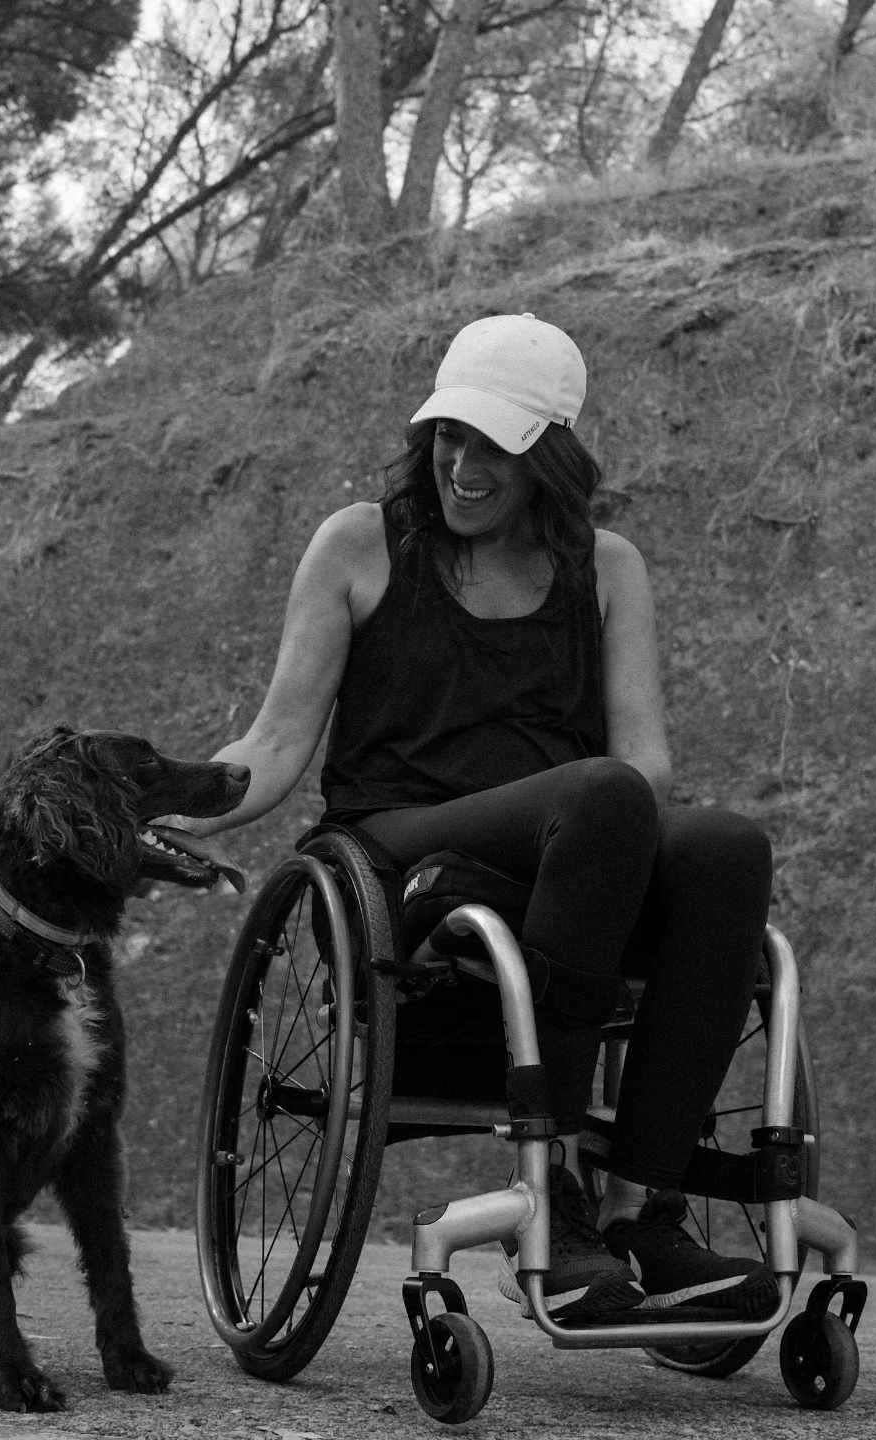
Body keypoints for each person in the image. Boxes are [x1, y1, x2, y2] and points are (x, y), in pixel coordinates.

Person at [185, 314, 779, 1323]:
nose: (460, 464)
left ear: (547, 454)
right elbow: (278, 743)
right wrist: (164, 809)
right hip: (400, 864)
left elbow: (647, 759)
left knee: (727, 848)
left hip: (569, 856)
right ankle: (555, 1201)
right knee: (599, 794)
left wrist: (622, 821)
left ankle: (638, 1203)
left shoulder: (607, 567)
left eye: (491, 446)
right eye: (447, 436)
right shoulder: (359, 546)